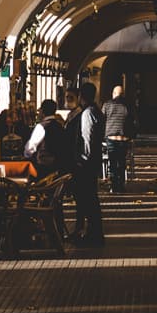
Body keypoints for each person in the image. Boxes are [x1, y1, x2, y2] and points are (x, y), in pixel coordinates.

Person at [67, 83, 104, 244]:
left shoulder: (88, 113)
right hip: (93, 162)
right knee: (90, 199)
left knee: (88, 199)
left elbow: (87, 138)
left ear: (82, 96)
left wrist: (83, 160)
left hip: (86, 164)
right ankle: (92, 232)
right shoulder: (96, 111)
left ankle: (93, 235)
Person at [26, 98, 78, 177]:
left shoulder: (41, 127)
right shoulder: (60, 126)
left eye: (39, 111)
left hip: (42, 168)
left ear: (43, 111)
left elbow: (30, 149)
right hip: (58, 168)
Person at [101, 84, 133, 193]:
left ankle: (114, 186)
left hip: (110, 137)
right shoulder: (128, 105)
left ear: (113, 94)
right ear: (123, 94)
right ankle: (121, 185)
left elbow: (102, 120)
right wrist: (131, 136)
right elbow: (134, 121)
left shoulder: (107, 105)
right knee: (122, 162)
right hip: (123, 138)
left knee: (112, 163)